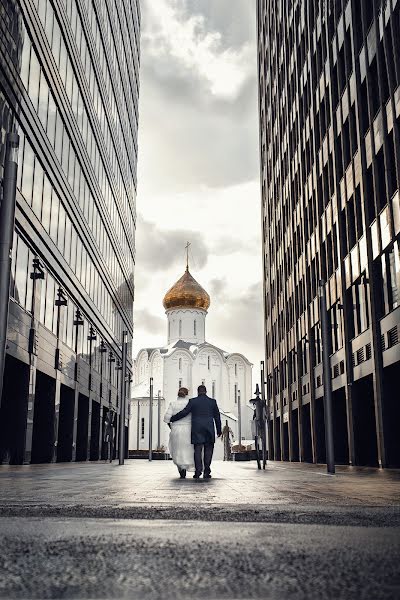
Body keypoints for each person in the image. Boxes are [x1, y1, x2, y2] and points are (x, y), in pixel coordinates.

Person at [169, 384, 222, 479]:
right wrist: (219, 430)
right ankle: (207, 471)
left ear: (198, 392)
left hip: (197, 429)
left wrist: (173, 418)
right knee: (208, 450)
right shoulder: (212, 402)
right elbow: (217, 416)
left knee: (197, 450)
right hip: (209, 429)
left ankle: (198, 471)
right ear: (206, 391)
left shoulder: (193, 401)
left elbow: (184, 412)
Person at [163, 387, 194, 478]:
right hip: (188, 429)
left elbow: (166, 418)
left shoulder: (173, 404)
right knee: (187, 449)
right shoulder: (189, 404)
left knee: (177, 449)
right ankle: (186, 465)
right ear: (187, 394)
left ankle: (181, 469)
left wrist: (171, 427)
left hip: (176, 429)